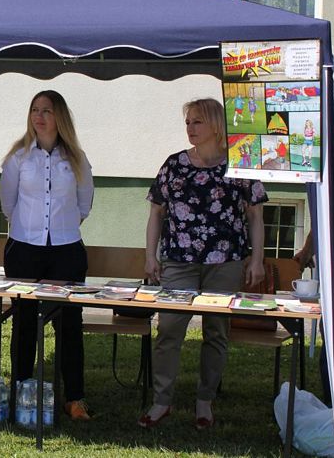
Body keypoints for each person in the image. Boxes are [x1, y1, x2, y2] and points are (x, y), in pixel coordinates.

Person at [139, 98, 267, 430]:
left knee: (216, 332)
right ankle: (161, 401)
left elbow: (256, 216)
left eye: (197, 121)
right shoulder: (174, 164)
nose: (190, 128)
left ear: (215, 125)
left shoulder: (240, 163)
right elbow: (156, 212)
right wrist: (150, 255)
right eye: (188, 122)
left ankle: (205, 402)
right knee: (169, 330)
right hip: (179, 261)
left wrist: (256, 259)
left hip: (225, 262)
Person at [0, 90, 94, 420]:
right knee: (24, 322)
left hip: (66, 250)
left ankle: (75, 398)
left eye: (47, 111)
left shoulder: (77, 158)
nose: (39, 117)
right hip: (24, 249)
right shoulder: (18, 158)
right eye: (35, 110)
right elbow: (7, 204)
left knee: (69, 323)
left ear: (60, 118)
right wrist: (32, 230)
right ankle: (21, 389)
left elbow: (84, 204)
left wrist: (59, 228)